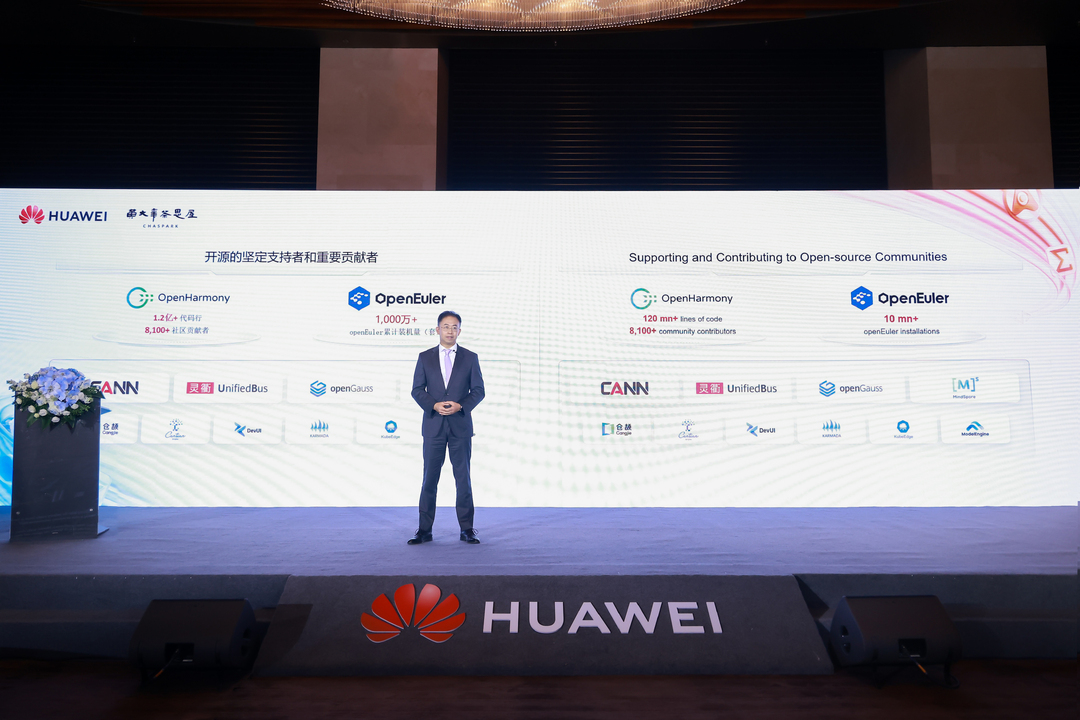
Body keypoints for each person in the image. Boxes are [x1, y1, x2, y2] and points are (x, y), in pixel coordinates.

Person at [408, 310, 485, 545]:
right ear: (437, 329)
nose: (450, 331)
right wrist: (434, 405)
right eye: (446, 326)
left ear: (459, 331)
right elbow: (417, 390)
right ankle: (424, 530)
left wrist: (461, 406)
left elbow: (478, 391)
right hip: (434, 427)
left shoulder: (470, 358)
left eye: (454, 327)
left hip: (460, 427)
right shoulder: (425, 357)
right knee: (429, 479)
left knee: (463, 479)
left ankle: (467, 529)